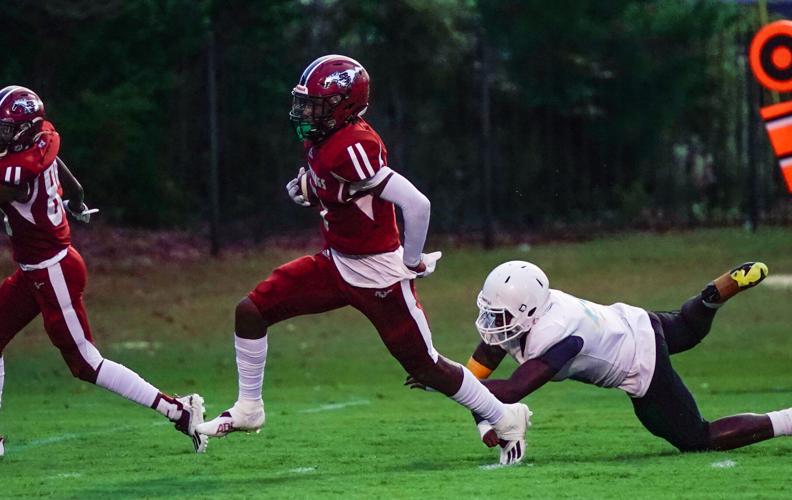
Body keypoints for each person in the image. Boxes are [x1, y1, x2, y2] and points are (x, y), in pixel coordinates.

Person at [197, 55, 530, 463]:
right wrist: (308, 191)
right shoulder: (322, 140)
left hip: (378, 275)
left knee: (426, 367)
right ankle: (249, 408)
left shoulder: (353, 146)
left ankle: (506, 416)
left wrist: (411, 261)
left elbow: (417, 204)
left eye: (316, 105)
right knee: (251, 311)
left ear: (343, 107)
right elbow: (340, 191)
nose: (305, 113)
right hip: (336, 263)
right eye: (305, 103)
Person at [0, 86, 207, 456]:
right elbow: (69, 178)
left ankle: (178, 410)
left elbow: (13, 186)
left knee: (85, 364)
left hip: (51, 272)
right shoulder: (38, 144)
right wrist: (76, 199)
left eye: (5, 128)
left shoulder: (17, 174)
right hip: (37, 270)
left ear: (23, 129)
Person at [459, 259, 791, 458]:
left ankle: (787, 420)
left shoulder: (556, 335)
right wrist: (484, 421)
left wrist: (442, 382)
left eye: (498, 314)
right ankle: (710, 298)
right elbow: (478, 375)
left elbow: (513, 389)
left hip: (639, 360)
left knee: (697, 438)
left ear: (527, 310)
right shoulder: (535, 310)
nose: (491, 322)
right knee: (689, 329)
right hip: (634, 320)